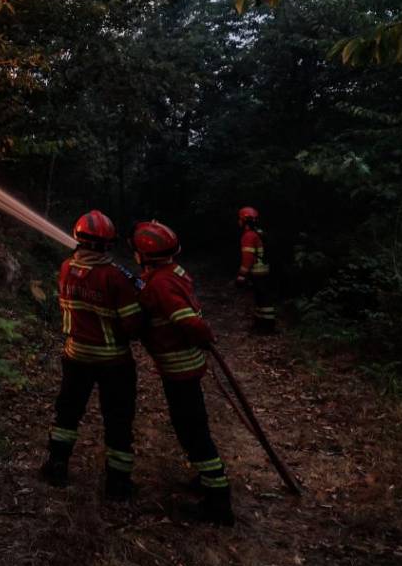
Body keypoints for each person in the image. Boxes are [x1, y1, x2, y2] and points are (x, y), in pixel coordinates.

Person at [132, 221, 235, 526]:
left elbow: (187, 321)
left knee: (192, 431)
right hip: (185, 365)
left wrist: (204, 334)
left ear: (144, 254)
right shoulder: (172, 273)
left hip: (179, 368)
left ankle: (218, 502)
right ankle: (208, 479)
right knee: (193, 426)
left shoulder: (160, 284)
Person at [38, 210, 143, 500]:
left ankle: (57, 464)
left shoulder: (65, 268)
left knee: (68, 412)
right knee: (118, 419)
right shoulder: (115, 278)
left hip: (75, 357)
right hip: (114, 362)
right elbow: (132, 325)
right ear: (109, 243)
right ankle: (118, 483)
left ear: (77, 238)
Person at [236, 207, 276, 333]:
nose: (239, 222)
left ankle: (266, 327)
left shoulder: (248, 236)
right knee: (261, 298)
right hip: (265, 270)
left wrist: (241, 276)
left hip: (257, 272)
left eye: (240, 219)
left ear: (244, 220)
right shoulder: (260, 232)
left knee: (263, 299)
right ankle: (261, 324)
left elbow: (247, 258)